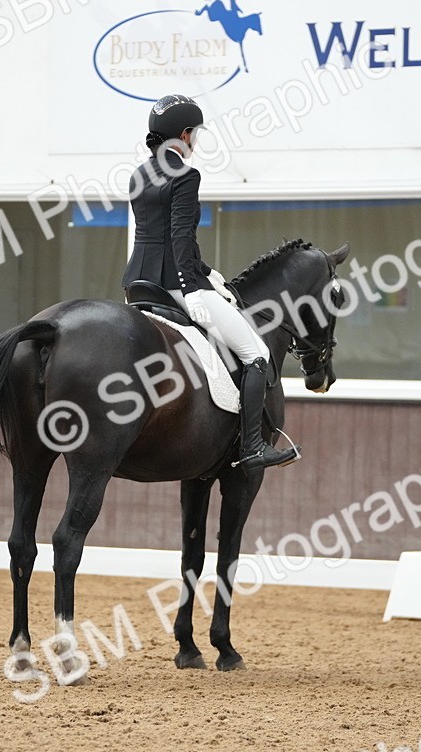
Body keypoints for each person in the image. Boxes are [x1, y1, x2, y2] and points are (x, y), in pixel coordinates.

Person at [122, 93, 300, 474]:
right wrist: (193, 288)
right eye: (195, 134)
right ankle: (252, 447)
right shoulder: (186, 176)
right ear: (184, 135)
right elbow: (180, 237)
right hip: (177, 286)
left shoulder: (139, 174)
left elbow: (156, 237)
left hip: (138, 283)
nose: (195, 141)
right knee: (257, 355)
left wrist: (207, 270)